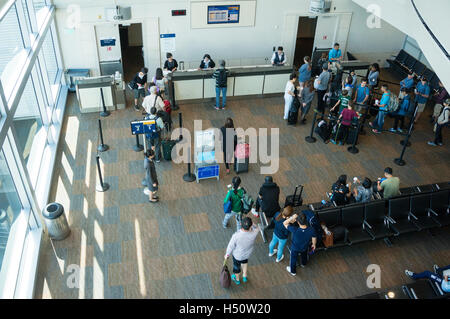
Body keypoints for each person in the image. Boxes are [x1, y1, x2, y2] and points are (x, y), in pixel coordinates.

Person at [225, 217, 259, 285]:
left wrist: (227, 254)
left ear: (240, 224)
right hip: (247, 255)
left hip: (237, 256)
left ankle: (237, 279)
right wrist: (253, 224)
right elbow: (257, 227)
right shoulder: (255, 232)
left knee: (236, 268)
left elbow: (230, 246)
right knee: (245, 263)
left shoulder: (236, 236)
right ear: (251, 225)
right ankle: (244, 276)